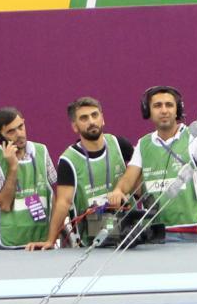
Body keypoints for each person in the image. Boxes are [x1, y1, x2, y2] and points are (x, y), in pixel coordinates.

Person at [111, 86, 197, 241]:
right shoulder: (143, 144)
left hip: (189, 231)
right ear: (148, 111)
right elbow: (129, 178)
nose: (164, 110)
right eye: (157, 106)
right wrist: (118, 190)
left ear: (177, 109)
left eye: (169, 105)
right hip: (153, 233)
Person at [42, 97, 133, 248]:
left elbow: (138, 173)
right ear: (75, 127)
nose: (91, 121)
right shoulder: (68, 160)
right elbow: (63, 203)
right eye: (84, 118)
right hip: (90, 240)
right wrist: (51, 240)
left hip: (128, 235)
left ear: (102, 119)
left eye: (95, 115)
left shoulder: (120, 144)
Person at [0, 108, 55, 250]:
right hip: (8, 242)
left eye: (21, 127)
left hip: (41, 240)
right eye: (11, 132)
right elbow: (4, 204)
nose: (19, 134)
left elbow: (57, 194)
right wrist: (13, 167)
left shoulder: (42, 151)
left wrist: (55, 234)